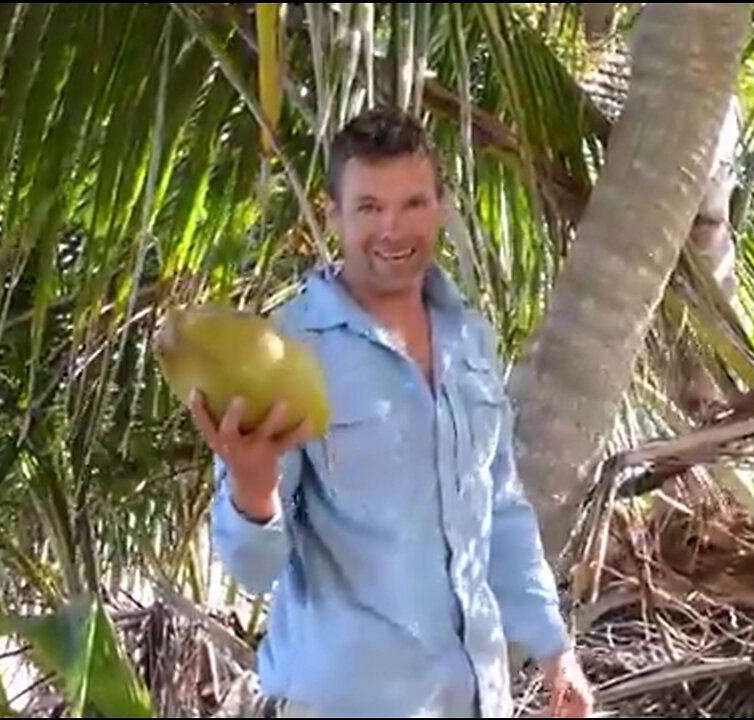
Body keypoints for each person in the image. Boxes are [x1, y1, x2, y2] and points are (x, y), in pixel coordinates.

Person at [189, 106, 594, 718]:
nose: (393, 230)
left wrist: (555, 649)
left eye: (411, 204)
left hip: (474, 699)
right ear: (334, 216)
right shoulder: (289, 352)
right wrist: (252, 484)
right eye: (369, 207)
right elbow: (254, 569)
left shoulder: (470, 340)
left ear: (441, 206)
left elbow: (502, 509)